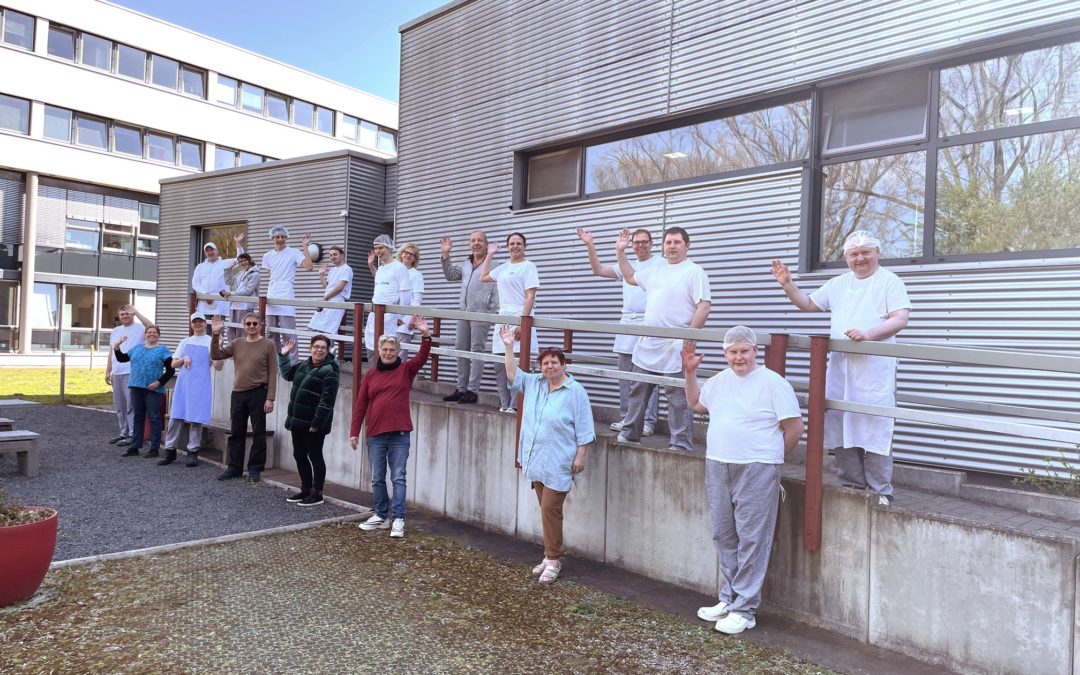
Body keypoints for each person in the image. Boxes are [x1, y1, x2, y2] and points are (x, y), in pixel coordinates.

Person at [771, 230, 911, 505]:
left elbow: (900, 318)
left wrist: (868, 334)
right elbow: (809, 304)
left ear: (877, 253)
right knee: (841, 426)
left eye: (865, 253)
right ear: (846, 257)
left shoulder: (889, 282)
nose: (860, 258)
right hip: (840, 370)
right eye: (854, 254)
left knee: (874, 429)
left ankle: (880, 492)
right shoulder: (838, 283)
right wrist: (788, 285)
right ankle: (853, 489)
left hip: (874, 371)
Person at [683, 327, 804, 635]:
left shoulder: (773, 383)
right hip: (718, 463)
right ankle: (730, 598)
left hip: (758, 468)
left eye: (744, 351)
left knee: (753, 537)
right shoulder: (719, 381)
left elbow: (793, 428)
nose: (739, 357)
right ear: (726, 354)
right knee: (725, 534)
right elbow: (696, 404)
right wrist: (690, 372)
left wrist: (771, 458)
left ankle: (745, 609)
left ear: (755, 351)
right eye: (733, 352)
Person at [501, 325, 594, 585]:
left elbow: (585, 427)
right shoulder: (534, 384)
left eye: (554, 362)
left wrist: (580, 456)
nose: (549, 367)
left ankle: (553, 559)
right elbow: (512, 373)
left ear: (564, 365)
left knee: (550, 510)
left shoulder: (576, 391)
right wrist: (509, 346)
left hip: (559, 462)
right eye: (545, 363)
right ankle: (549, 555)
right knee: (547, 511)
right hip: (536, 459)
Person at [614, 227, 711, 452]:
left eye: (677, 242)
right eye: (668, 242)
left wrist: (689, 339)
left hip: (677, 343)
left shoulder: (695, 271)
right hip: (649, 341)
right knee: (638, 390)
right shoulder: (657, 270)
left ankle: (680, 443)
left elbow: (704, 307)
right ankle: (630, 434)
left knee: (677, 395)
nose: (672, 246)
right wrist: (621, 252)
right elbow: (629, 276)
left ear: (687, 245)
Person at [576, 227, 661, 436]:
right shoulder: (625, 263)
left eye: (644, 241)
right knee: (625, 375)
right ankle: (627, 418)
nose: (640, 245)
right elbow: (597, 270)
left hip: (650, 322)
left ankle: (647, 421)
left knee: (647, 375)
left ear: (651, 243)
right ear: (631, 245)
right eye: (636, 242)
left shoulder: (661, 263)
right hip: (626, 323)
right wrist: (589, 245)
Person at [351, 318, 432, 539]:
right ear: (378, 350)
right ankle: (380, 514)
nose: (388, 353)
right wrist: (354, 432)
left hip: (399, 434)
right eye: (385, 349)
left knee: (398, 477)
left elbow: (423, 357)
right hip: (375, 434)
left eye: (392, 349)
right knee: (377, 477)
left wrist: (425, 334)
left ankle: (398, 518)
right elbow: (360, 406)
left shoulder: (406, 370)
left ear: (398, 351)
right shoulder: (370, 375)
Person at [210, 313, 278, 482]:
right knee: (236, 432)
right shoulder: (237, 343)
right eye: (248, 324)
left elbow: (273, 373)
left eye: (255, 323)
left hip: (258, 392)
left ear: (261, 325)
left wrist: (270, 398)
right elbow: (217, 355)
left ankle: (255, 468)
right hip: (238, 392)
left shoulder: (268, 345)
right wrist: (216, 334)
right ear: (243, 325)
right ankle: (234, 468)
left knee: (258, 432)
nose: (251, 326)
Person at [278, 334, 340, 507]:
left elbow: (327, 400)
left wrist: (317, 423)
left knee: (315, 455)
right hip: (297, 420)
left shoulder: (330, 370)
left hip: (313, 423)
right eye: (316, 346)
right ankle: (306, 488)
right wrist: (283, 356)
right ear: (310, 348)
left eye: (323, 347)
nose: (319, 350)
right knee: (299, 454)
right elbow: (287, 374)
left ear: (327, 350)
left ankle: (317, 492)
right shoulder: (305, 364)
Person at [480, 232, 539, 413]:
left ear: (524, 246)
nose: (515, 246)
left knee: (519, 365)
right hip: (503, 318)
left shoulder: (529, 266)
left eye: (519, 243)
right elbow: (483, 277)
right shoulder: (504, 267)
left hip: (520, 316)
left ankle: (514, 405)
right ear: (508, 247)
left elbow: (530, 296)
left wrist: (523, 322)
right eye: (512, 243)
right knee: (500, 365)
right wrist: (489, 255)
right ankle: (504, 404)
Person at [439, 231, 499, 405]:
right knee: (460, 350)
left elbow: (497, 290)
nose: (476, 243)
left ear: (486, 244)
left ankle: (472, 391)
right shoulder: (466, 264)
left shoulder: (494, 265)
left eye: (479, 240)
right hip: (463, 313)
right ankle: (461, 388)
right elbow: (450, 275)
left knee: (476, 351)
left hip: (481, 314)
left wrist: (492, 311)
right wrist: (445, 254)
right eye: (473, 241)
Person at [162, 312, 223, 467]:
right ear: (191, 324)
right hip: (183, 385)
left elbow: (218, 366)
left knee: (196, 419)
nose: (197, 324)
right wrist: (183, 359)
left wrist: (219, 347)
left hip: (201, 385)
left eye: (200, 321)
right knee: (176, 417)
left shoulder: (211, 341)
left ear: (205, 323)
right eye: (194, 321)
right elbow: (173, 364)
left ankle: (193, 451)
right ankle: (170, 450)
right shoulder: (185, 341)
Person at [112, 325, 174, 458]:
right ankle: (135, 446)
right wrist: (116, 347)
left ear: (158, 335)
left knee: (154, 417)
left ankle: (154, 448)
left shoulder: (163, 350)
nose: (151, 334)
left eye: (154, 332)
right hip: (135, 387)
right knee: (138, 417)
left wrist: (159, 382)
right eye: (149, 332)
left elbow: (171, 370)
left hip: (153, 389)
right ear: (145, 335)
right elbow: (122, 358)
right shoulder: (137, 348)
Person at [261, 225, 314, 362]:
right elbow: (271, 274)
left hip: (286, 292)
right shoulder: (267, 256)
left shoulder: (293, 252)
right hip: (272, 292)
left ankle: (293, 364)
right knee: (271, 332)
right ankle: (275, 361)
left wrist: (305, 247)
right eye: (277, 236)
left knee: (288, 332)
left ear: (286, 238)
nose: (280, 239)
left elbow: (309, 267)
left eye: (283, 237)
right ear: (272, 238)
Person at [105, 304, 149, 447]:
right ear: (119, 316)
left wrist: (137, 312)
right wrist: (108, 370)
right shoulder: (116, 331)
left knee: (131, 405)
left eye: (128, 314)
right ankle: (123, 433)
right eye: (122, 314)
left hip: (131, 371)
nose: (125, 316)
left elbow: (152, 327)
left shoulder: (140, 328)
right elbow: (112, 352)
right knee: (119, 405)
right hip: (117, 371)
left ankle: (133, 435)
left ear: (132, 315)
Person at [363, 234, 412, 362]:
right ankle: (373, 377)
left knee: (387, 348)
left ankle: (385, 379)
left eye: (381, 248)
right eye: (376, 248)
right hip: (374, 313)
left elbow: (405, 294)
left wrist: (401, 316)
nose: (378, 251)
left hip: (389, 315)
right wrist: (371, 265)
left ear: (389, 248)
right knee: (371, 346)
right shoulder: (381, 269)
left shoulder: (399, 268)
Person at [192, 232, 245, 319]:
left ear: (217, 251)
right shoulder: (200, 267)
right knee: (205, 329)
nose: (210, 252)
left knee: (218, 330)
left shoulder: (225, 263)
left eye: (212, 250)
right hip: (204, 305)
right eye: (207, 251)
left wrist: (237, 243)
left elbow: (240, 259)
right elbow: (195, 284)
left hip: (220, 305)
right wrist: (206, 294)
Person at [221, 235, 261, 343]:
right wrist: (228, 269)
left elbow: (248, 291)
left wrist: (231, 293)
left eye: (245, 260)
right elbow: (229, 281)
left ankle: (244, 353)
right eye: (240, 261)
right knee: (231, 331)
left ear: (250, 260)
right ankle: (233, 354)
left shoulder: (255, 274)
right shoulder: (241, 273)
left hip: (245, 306)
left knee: (242, 331)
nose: (243, 262)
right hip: (234, 305)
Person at [308, 245, 354, 336]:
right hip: (327, 302)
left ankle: (329, 349)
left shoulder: (347, 269)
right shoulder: (332, 270)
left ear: (342, 255)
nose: (332, 257)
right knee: (316, 330)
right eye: (331, 255)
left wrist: (325, 298)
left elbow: (340, 287)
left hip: (336, 303)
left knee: (328, 333)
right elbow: (328, 287)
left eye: (335, 254)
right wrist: (321, 275)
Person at [393, 242, 425, 358]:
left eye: (412, 254)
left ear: (415, 259)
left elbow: (416, 300)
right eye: (406, 252)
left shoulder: (416, 275)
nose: (408, 255)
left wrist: (413, 319)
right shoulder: (393, 270)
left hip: (405, 321)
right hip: (390, 318)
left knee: (400, 355)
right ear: (401, 254)